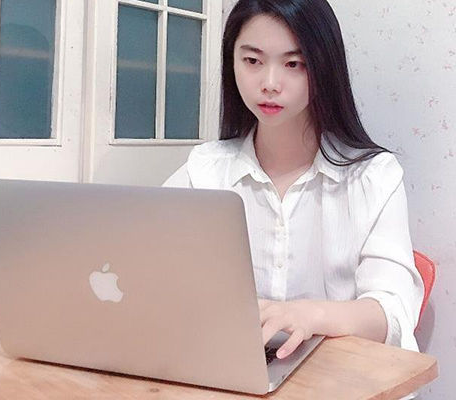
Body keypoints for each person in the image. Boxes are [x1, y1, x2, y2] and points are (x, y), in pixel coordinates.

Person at [163, 0, 424, 390]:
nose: (270, 82)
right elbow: (144, 269)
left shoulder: (373, 176)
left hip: (343, 383)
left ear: (324, 67)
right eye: (252, 61)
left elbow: (394, 311)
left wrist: (311, 315)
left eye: (293, 64)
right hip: (233, 376)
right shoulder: (205, 170)